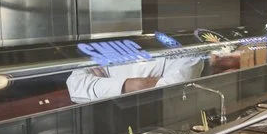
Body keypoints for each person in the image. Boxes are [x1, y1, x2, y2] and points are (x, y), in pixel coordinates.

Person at [67, 56, 204, 103]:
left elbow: (173, 90)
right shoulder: (106, 47)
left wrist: (108, 85)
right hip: (108, 129)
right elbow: (75, 86)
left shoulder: (186, 52)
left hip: (165, 126)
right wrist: (138, 84)